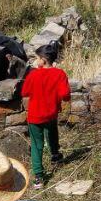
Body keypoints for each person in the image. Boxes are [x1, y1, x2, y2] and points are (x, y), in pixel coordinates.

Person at [19, 47, 70, 188]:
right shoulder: (60, 74)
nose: (35, 61)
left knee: (37, 145)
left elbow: (24, 92)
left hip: (35, 116)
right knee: (52, 132)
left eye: (37, 58)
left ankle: (39, 177)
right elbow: (65, 95)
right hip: (51, 113)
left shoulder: (33, 75)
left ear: (44, 59)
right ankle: (55, 156)